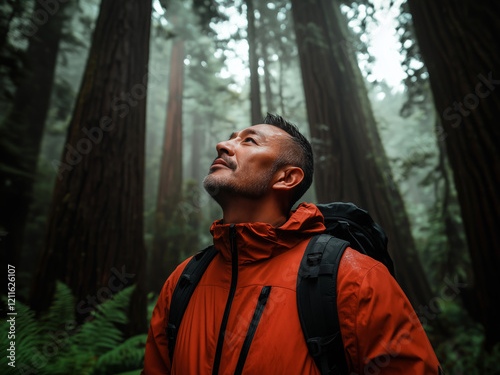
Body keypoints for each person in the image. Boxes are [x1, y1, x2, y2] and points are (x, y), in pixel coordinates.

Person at [142, 113, 441, 374]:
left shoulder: (356, 279)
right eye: (231, 138)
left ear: (286, 178)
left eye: (249, 141)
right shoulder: (182, 281)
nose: (223, 145)